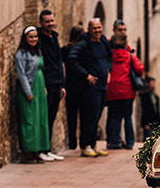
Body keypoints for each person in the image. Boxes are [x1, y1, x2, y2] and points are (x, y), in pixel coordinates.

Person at [68, 18, 112, 157]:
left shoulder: (104, 41)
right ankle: (85, 145)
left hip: (103, 86)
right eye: (94, 28)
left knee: (97, 116)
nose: (97, 31)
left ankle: (93, 144)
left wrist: (109, 70)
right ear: (89, 29)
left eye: (99, 28)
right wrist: (86, 75)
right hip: (90, 88)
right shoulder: (84, 44)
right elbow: (71, 59)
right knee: (89, 117)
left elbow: (109, 58)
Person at [15, 25, 51, 163]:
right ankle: (28, 151)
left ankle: (38, 149)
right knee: (29, 120)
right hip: (29, 88)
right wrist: (28, 91)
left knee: (40, 119)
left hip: (40, 88)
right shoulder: (20, 55)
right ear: (25, 38)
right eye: (31, 37)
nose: (34, 39)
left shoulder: (37, 52)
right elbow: (21, 74)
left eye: (35, 36)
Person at [106, 19, 144, 149]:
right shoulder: (129, 55)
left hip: (112, 89)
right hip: (127, 90)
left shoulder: (109, 54)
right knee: (127, 117)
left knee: (114, 117)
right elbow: (140, 69)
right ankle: (130, 142)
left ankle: (113, 142)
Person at [37, 9, 65, 160]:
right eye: (47, 21)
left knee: (52, 116)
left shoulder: (54, 37)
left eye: (51, 21)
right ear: (41, 23)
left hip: (56, 83)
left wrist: (62, 84)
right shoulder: (39, 39)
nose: (50, 24)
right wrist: (45, 86)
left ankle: (47, 148)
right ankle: (41, 149)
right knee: (44, 116)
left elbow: (58, 62)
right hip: (46, 83)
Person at [62, 23, 85, 150]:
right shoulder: (84, 51)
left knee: (71, 116)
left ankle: (72, 142)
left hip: (70, 84)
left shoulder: (65, 49)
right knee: (83, 116)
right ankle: (82, 142)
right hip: (82, 85)